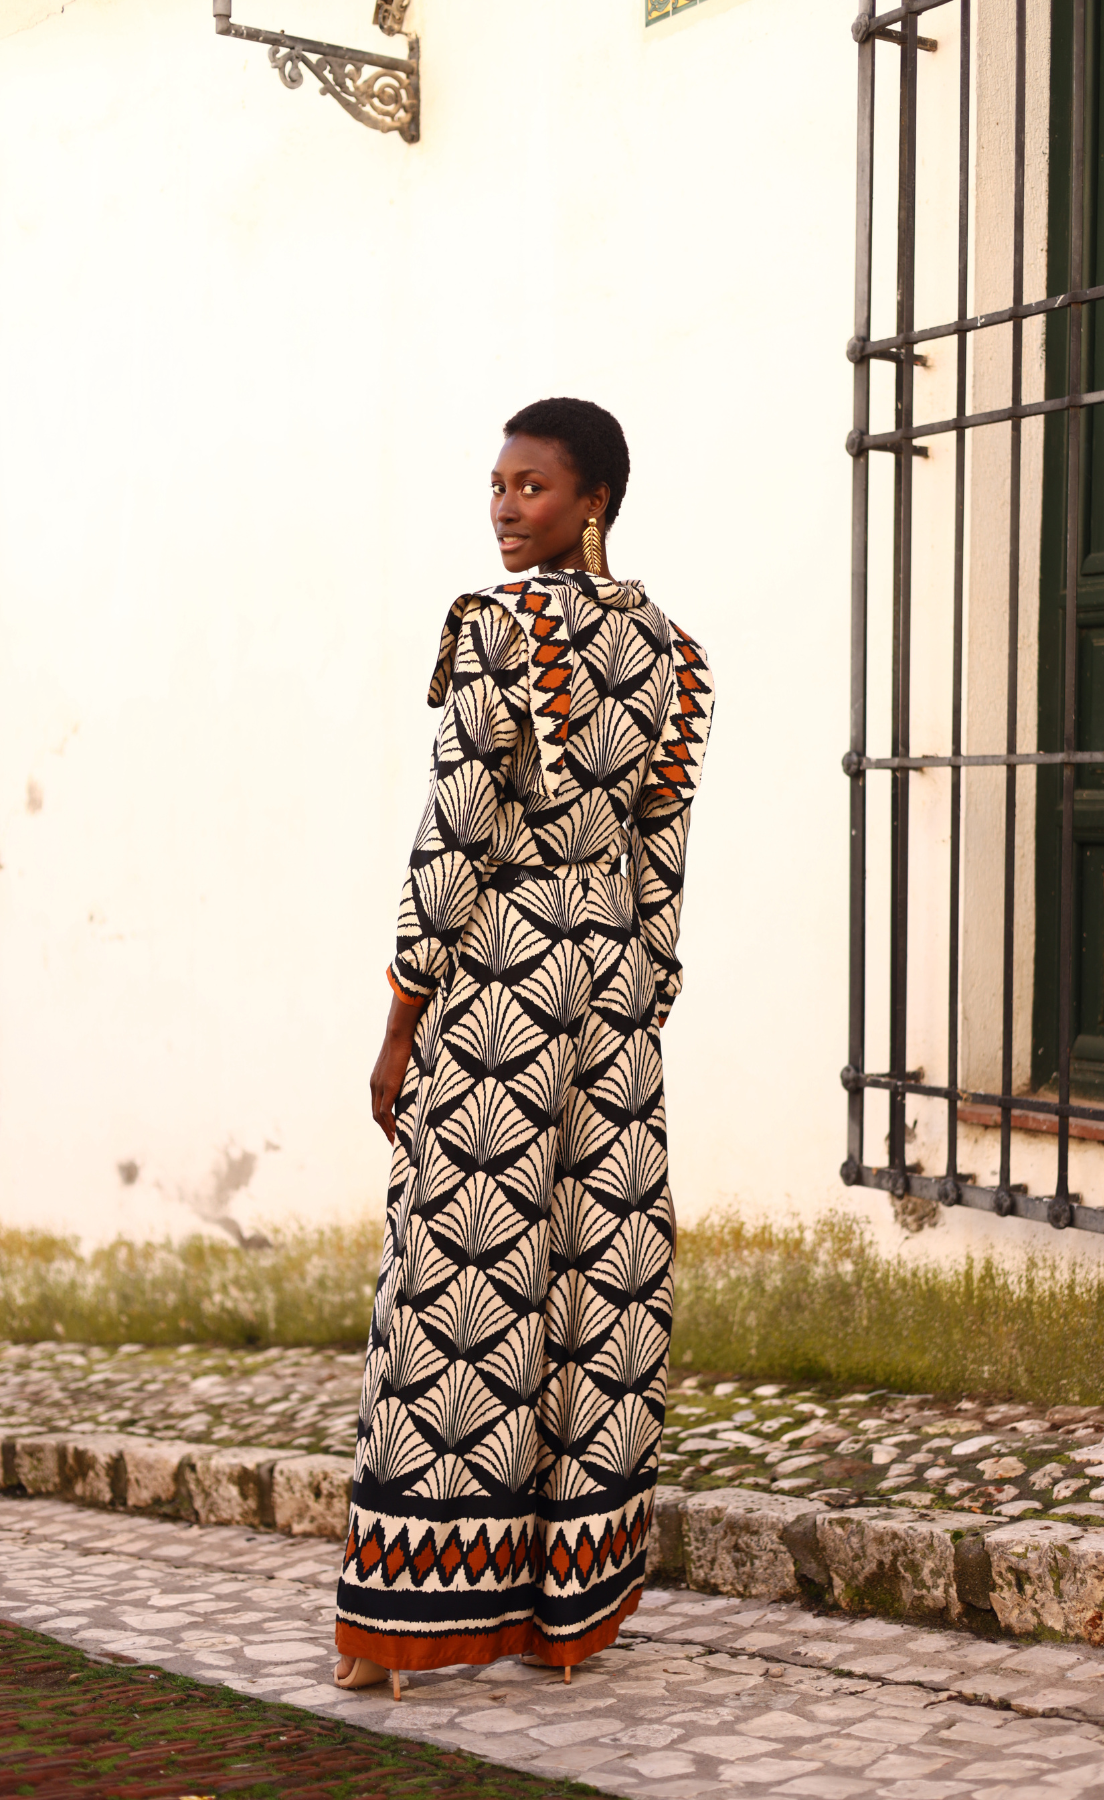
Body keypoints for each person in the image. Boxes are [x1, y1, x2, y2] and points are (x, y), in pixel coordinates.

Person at [333, 397, 714, 1694]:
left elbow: (453, 835)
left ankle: (406, 1625)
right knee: (595, 1290)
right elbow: (660, 863)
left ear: (594, 499)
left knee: (458, 1295)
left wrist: (401, 1017)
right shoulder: (676, 658)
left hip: (498, 986)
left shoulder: (497, 631)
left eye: (533, 486)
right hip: (611, 996)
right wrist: (638, 1002)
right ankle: (568, 1614)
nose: (505, 507)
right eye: (497, 485)